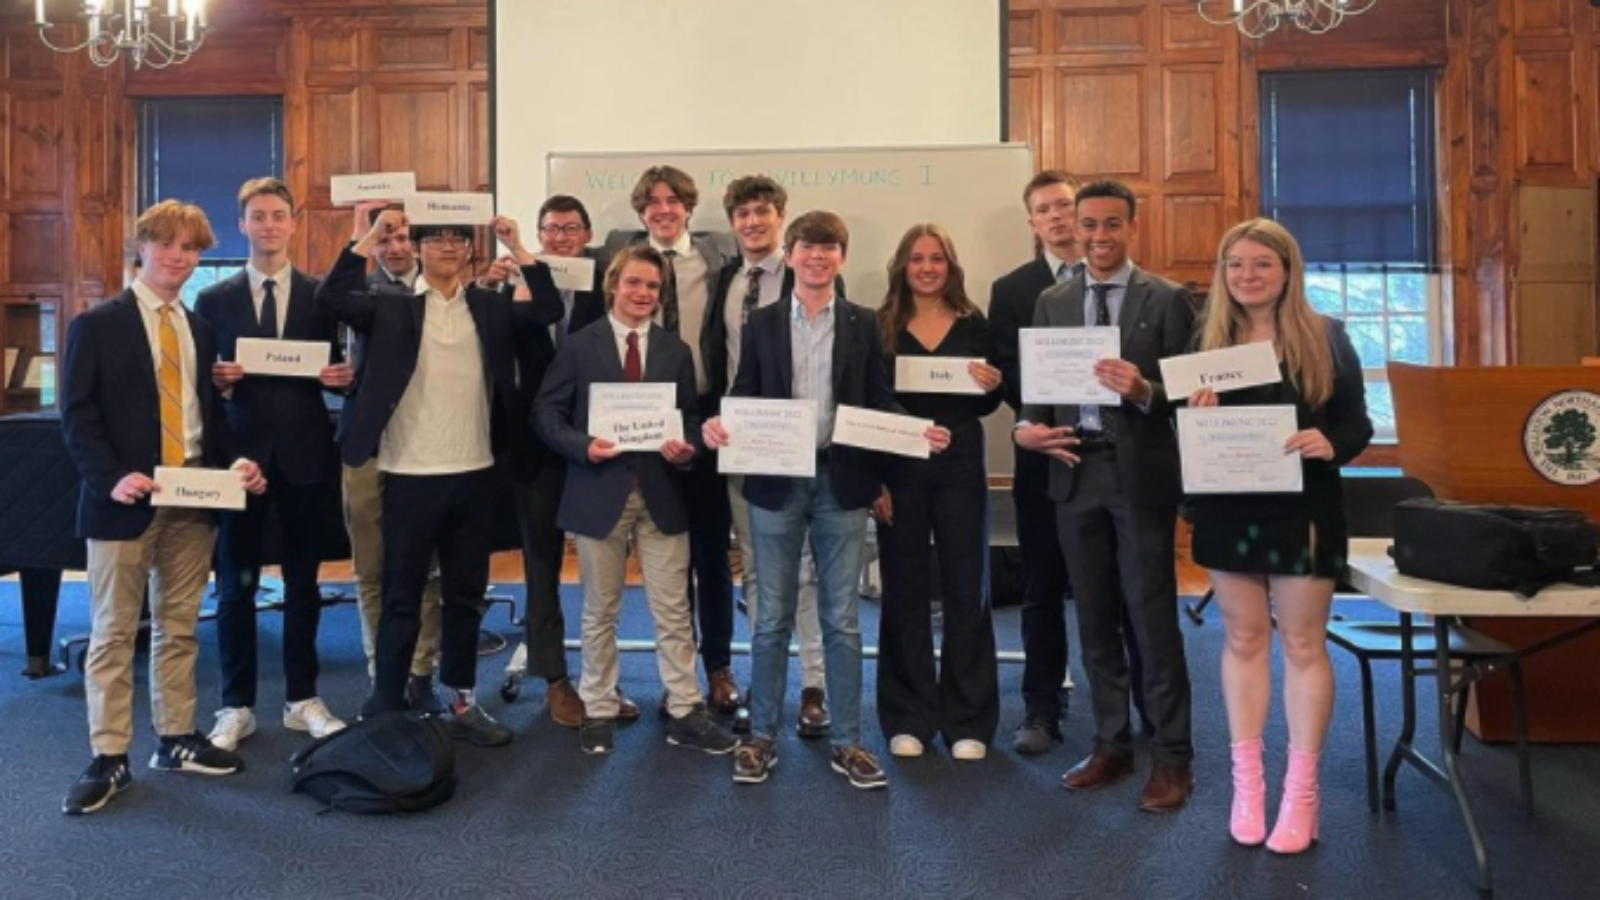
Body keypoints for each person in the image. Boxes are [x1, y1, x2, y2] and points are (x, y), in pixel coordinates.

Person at [704, 211, 950, 790]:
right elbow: (742, 398)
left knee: (841, 620)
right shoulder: (761, 324)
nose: (818, 256)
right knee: (770, 620)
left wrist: (917, 432)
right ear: (790, 256)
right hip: (775, 484)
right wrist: (722, 426)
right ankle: (760, 737)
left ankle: (849, 742)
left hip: (842, 484)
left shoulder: (864, 324)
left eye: (830, 247)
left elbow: (878, 400)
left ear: (841, 257)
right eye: (808, 247)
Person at [316, 208, 559, 746]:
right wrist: (370, 234)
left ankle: (460, 699)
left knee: (466, 596)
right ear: (419, 249)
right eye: (436, 238)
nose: (447, 246)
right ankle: (386, 705)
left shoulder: (489, 308)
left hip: (475, 474)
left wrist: (517, 246)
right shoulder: (392, 308)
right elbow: (331, 299)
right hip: (408, 474)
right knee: (402, 596)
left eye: (457, 239)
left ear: (469, 252)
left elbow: (546, 308)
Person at [59, 200, 268, 815]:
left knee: (180, 629)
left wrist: (236, 463)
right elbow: (78, 416)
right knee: (114, 634)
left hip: (193, 503)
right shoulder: (97, 325)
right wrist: (110, 477)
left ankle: (175, 739)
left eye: (190, 249)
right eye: (167, 246)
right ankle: (109, 755)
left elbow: (208, 418)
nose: (179, 258)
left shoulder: (198, 328)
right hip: (123, 504)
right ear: (143, 248)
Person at [1184, 218, 1372, 852]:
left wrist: (1332, 443)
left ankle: (1302, 791)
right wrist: (1194, 412)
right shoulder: (1207, 339)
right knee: (1241, 637)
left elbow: (1357, 423)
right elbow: (1182, 430)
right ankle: (1248, 785)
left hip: (1306, 507)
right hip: (1226, 506)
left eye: (1261, 263)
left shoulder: (1326, 337)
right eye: (1235, 264)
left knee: (1300, 642)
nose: (1247, 276)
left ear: (1287, 270)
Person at [1014, 179, 1196, 812]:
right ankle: (1112, 743)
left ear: (1131, 228)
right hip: (1073, 473)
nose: (1098, 237)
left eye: (1111, 225)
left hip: (1138, 474)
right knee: (1091, 618)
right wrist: (1026, 430)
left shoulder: (1169, 300)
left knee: (1150, 619)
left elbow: (1191, 391)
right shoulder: (1053, 300)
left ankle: (1172, 756)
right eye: (1088, 225)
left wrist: (1144, 389)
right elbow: (1037, 395)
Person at [533, 245, 737, 757]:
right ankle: (598, 707)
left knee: (671, 609)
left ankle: (686, 708)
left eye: (652, 287)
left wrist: (687, 445)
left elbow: (688, 417)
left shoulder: (674, 351)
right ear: (614, 286)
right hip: (598, 492)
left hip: (663, 494)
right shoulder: (581, 346)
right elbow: (546, 414)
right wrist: (583, 446)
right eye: (634, 283)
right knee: (600, 610)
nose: (643, 294)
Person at [197, 177, 353, 752]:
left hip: (306, 457)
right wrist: (217, 381)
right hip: (241, 460)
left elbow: (335, 369)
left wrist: (342, 379)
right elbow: (202, 388)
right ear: (242, 225)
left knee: (303, 583)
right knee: (234, 586)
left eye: (277, 216)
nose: (268, 225)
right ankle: (235, 705)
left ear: (293, 224)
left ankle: (301, 699)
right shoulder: (214, 299)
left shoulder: (320, 297)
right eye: (257, 216)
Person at [607, 166, 740, 716]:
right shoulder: (618, 260)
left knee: (711, 551)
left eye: (674, 201)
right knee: (664, 553)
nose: (663, 209)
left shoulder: (720, 261)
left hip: (702, 417)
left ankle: (717, 667)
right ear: (642, 212)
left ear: (689, 206)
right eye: (653, 202)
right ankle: (676, 674)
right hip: (636, 418)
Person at [871, 224, 1002, 761]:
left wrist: (995, 385)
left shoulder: (976, 325)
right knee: (902, 590)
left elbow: (989, 404)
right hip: (898, 472)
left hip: (960, 469)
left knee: (966, 590)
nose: (927, 268)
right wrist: (874, 477)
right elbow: (869, 403)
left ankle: (968, 718)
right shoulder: (878, 327)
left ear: (951, 266)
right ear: (902, 265)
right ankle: (908, 715)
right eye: (917, 258)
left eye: (938, 259)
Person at [706, 175, 830, 737]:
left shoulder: (810, 271)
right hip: (741, 441)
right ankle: (769, 684)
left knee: (803, 572)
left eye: (763, 212)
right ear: (732, 222)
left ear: (781, 217)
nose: (752, 222)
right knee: (757, 570)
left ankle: (815, 686)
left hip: (799, 444)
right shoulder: (727, 279)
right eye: (743, 214)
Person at [509, 194, 639, 726]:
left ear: (587, 234)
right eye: (550, 229)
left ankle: (601, 682)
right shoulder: (513, 284)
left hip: (594, 445)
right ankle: (555, 680)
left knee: (603, 574)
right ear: (539, 235)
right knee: (541, 564)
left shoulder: (609, 288)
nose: (560, 237)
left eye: (569, 228)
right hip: (532, 446)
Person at [339, 200, 445, 714]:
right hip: (368, 444)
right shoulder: (358, 292)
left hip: (427, 445)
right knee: (372, 569)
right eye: (386, 238)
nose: (397, 247)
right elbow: (330, 302)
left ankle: (421, 671)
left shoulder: (445, 291)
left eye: (404, 236)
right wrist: (363, 233)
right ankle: (382, 673)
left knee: (422, 568)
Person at [989, 170, 1081, 754]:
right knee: (1042, 586)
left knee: (1118, 592)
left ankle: (1131, 709)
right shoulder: (1012, 287)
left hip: (1110, 457)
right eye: (1043, 209)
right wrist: (1037, 418)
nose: (1056, 215)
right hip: (1040, 452)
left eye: (1064, 205)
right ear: (1032, 222)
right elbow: (1005, 366)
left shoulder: (1119, 283)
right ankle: (1041, 708)